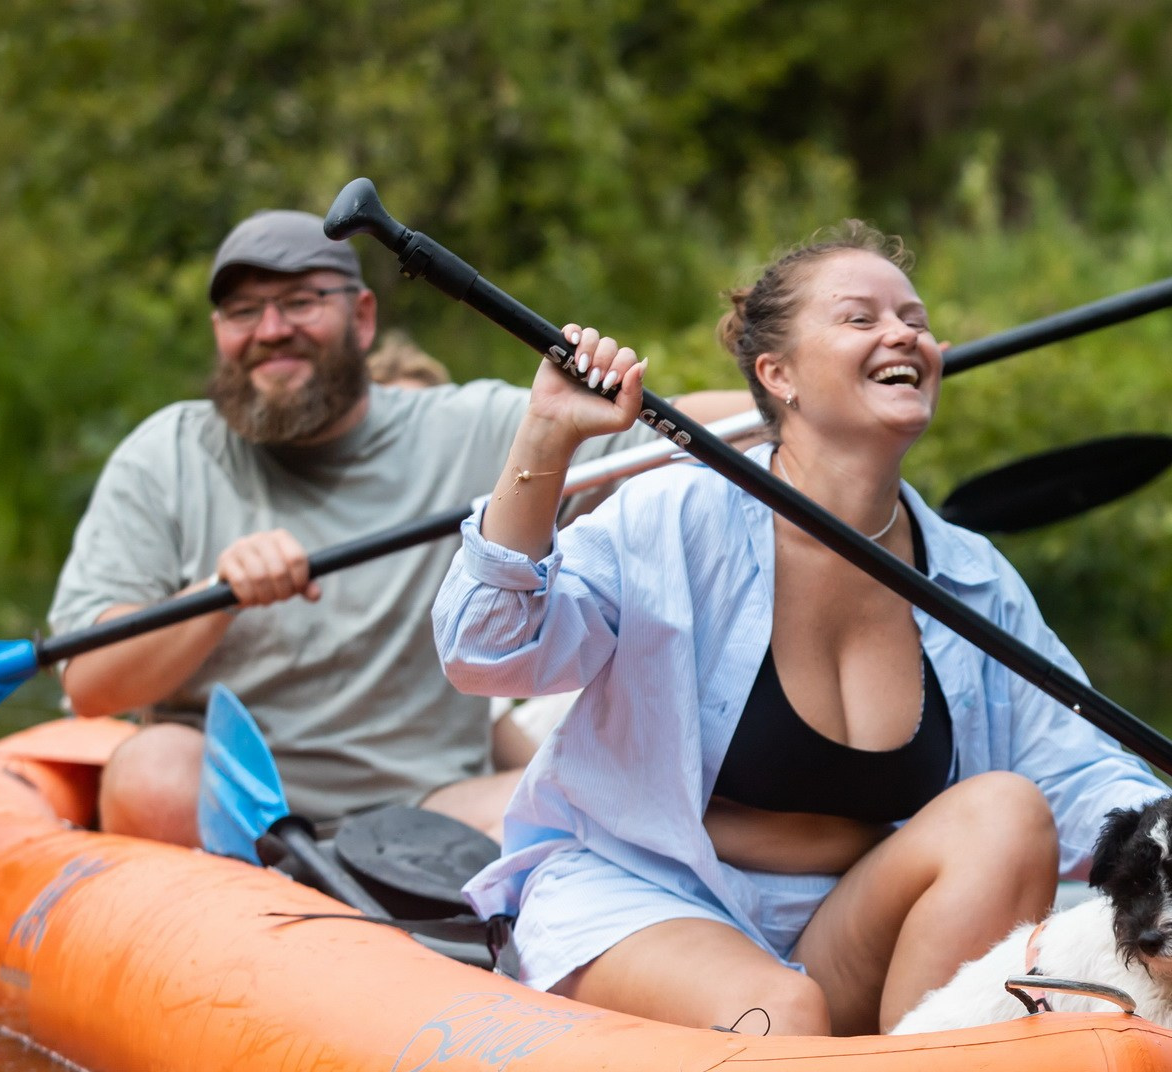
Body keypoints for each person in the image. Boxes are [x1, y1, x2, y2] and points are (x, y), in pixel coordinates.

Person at [433, 223, 1172, 1036]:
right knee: (785, 1010)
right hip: (642, 901)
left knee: (1006, 810)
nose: (902, 334)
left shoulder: (972, 573)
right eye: (861, 318)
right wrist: (546, 438)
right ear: (778, 374)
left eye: (914, 322)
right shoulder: (673, 514)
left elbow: (1079, 777)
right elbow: (483, 651)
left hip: (842, 926)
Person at [48, 209, 749, 844]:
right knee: (150, 769)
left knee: (588, 808)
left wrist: (805, 405)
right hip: (234, 807)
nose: (270, 330)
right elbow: (90, 685)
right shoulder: (164, 453)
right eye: (243, 311)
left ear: (361, 317)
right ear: (218, 332)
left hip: (430, 805)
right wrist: (215, 596)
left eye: (299, 302)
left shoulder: (465, 427)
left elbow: (674, 426)